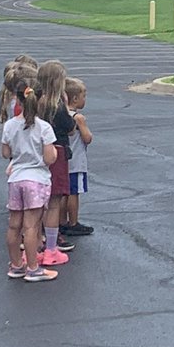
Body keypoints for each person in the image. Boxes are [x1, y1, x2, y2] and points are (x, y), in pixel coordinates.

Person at [1, 82, 59, 283]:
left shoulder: (9, 126)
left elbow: (6, 153)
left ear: (17, 99)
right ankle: (33, 268)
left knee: (14, 225)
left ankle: (16, 264)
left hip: (16, 178)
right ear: (40, 99)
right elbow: (50, 158)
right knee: (31, 226)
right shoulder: (44, 127)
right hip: (36, 179)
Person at [35, 60, 74, 265]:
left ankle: (38, 241)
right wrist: (67, 107)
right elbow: (70, 127)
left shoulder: (36, 102)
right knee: (54, 201)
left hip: (39, 153)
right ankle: (51, 246)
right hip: (57, 152)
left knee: (40, 200)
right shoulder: (57, 106)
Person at [62, 77, 93, 237]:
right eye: (83, 96)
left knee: (62, 193)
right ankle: (73, 222)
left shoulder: (60, 114)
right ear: (74, 98)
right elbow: (87, 138)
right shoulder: (77, 118)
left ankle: (61, 221)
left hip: (63, 161)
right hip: (76, 161)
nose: (84, 99)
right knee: (74, 192)